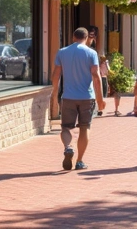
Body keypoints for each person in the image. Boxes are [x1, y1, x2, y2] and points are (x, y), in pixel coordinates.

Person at [51, 27, 105, 171]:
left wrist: (54, 93)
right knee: (84, 127)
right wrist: (100, 99)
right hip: (87, 97)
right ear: (87, 38)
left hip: (68, 96)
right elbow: (96, 75)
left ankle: (69, 147)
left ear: (73, 37)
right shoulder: (91, 53)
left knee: (66, 127)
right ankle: (80, 160)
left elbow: (56, 75)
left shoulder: (62, 52)